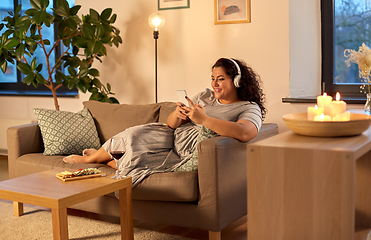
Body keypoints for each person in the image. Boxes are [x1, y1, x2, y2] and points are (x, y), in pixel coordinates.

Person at [63, 58, 266, 187]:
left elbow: (246, 133)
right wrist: (178, 115)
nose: (214, 84)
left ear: (237, 81)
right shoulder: (205, 95)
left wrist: (204, 119)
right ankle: (93, 159)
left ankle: (101, 159)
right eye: (213, 78)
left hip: (189, 149)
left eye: (220, 79)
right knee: (133, 136)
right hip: (171, 135)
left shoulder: (248, 107)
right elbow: (170, 124)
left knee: (139, 162)